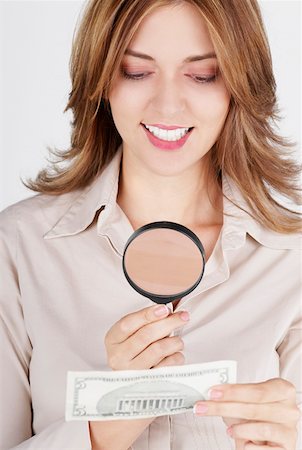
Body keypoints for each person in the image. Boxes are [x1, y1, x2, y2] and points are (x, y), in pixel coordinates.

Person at [0, 0, 301, 449]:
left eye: (202, 75)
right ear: (101, 79)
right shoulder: (21, 247)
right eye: (136, 71)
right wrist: (106, 425)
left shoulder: (290, 259)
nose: (167, 105)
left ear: (239, 83)